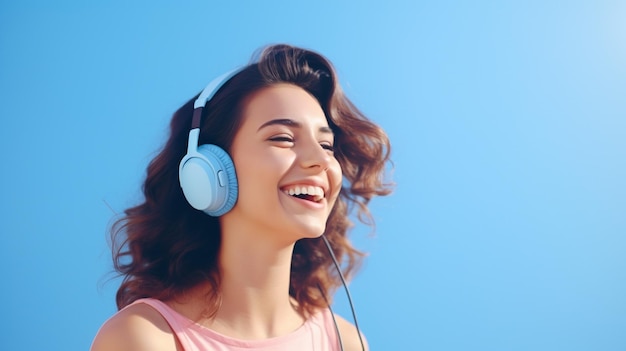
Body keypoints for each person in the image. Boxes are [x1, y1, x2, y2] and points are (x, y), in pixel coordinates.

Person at [91, 44, 392, 351]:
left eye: (327, 145)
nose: (321, 160)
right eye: (283, 138)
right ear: (208, 171)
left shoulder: (346, 342)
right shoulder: (142, 339)